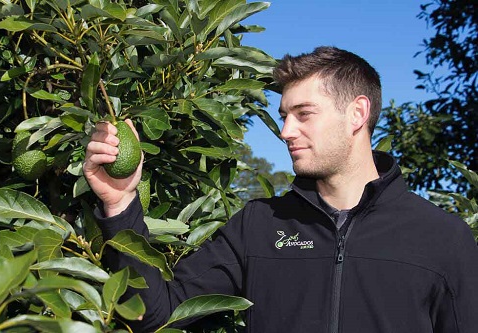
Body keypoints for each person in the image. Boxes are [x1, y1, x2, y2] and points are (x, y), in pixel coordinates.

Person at [83, 46, 478, 333]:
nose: (286, 132)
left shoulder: (442, 237)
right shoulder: (257, 226)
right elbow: (156, 315)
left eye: (303, 114)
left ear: (357, 113)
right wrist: (119, 205)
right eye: (284, 117)